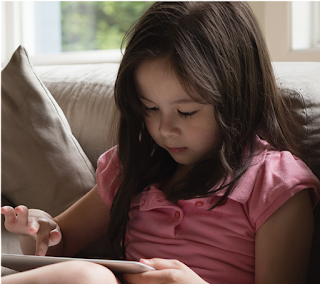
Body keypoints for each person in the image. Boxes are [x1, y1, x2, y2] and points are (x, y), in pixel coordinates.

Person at [1, 2, 319, 284]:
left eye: (186, 112)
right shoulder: (134, 167)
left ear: (237, 98)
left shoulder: (275, 186)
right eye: (150, 108)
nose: (165, 129)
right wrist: (39, 230)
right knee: (89, 276)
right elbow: (60, 242)